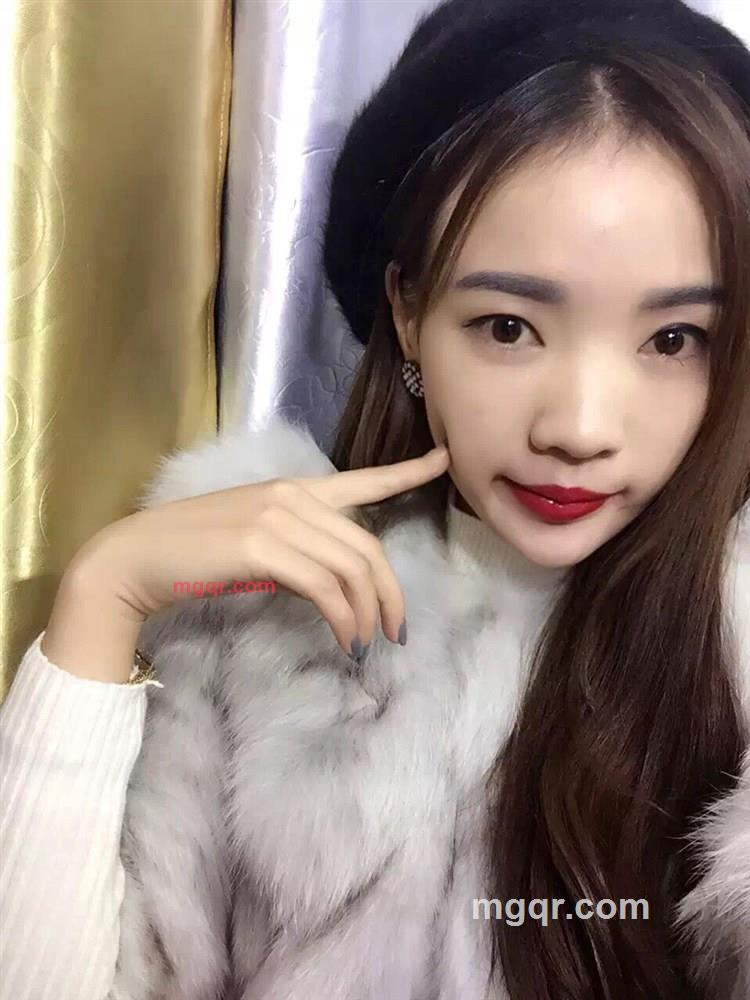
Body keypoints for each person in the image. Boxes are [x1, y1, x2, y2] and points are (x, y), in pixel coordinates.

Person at [2, 0, 750, 997]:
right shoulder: (261, 625)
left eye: (672, 340)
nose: (578, 426)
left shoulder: (734, 647)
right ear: (407, 314)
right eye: (508, 327)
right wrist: (106, 592)